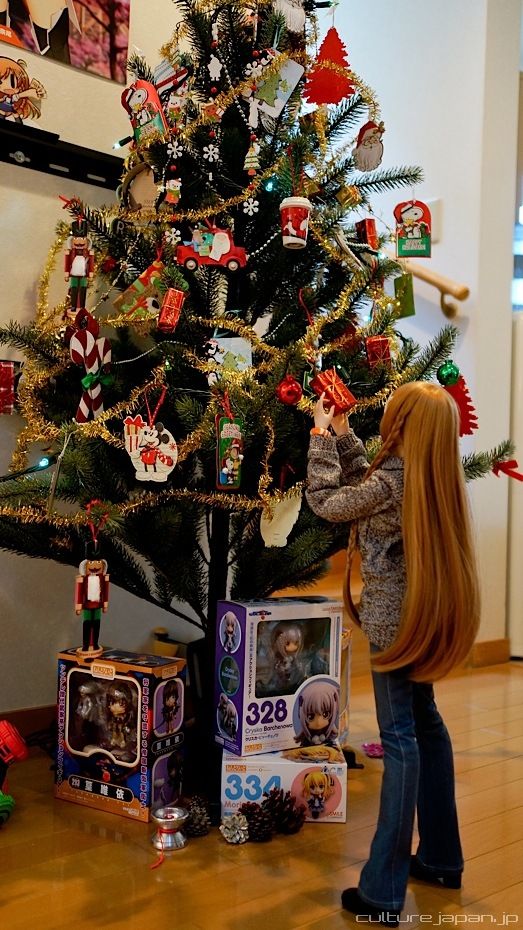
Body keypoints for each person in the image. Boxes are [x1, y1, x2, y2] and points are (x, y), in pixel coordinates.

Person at [306, 383, 480, 927]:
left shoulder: (390, 483)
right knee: (426, 724)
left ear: (401, 425)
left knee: (400, 738)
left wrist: (319, 437)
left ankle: (383, 890)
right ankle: (442, 858)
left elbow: (328, 502)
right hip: (423, 617)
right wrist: (346, 437)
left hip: (390, 625)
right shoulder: (430, 478)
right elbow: (371, 485)